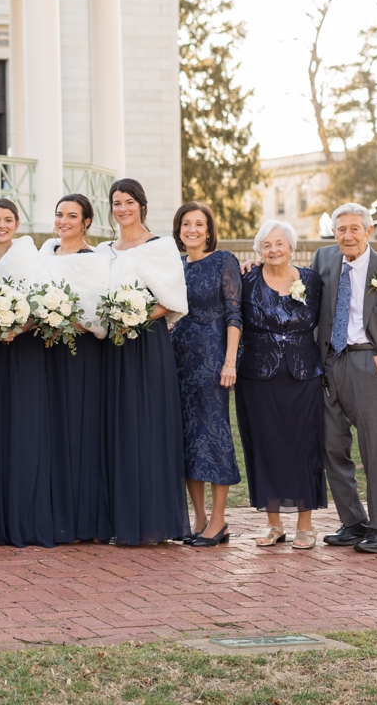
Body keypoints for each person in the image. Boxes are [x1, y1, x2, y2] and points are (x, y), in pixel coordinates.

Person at [314, 202, 377, 555]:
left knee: (374, 448)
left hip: (367, 365)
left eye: (354, 229)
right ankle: (354, 521)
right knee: (331, 446)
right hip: (330, 364)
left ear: (369, 232)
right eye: (341, 229)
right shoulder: (324, 261)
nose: (347, 236)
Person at [97, 178, 189, 546]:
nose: (122, 209)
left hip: (146, 345)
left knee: (146, 425)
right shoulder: (105, 250)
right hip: (111, 347)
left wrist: (134, 316)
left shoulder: (161, 246)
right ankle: (117, 517)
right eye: (116, 203)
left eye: (129, 202)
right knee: (116, 427)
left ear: (142, 205)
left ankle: (152, 521)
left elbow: (171, 300)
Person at [236, 219, 324, 550]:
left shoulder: (313, 281)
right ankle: (273, 525)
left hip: (304, 373)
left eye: (279, 244)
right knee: (265, 445)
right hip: (257, 375)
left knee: (306, 446)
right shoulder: (247, 278)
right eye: (267, 245)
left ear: (291, 247)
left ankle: (305, 524)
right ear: (259, 251)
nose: (274, 250)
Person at [0, 199, 63, 547]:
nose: (1, 225)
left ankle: (29, 520)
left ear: (17, 224)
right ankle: (1, 522)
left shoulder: (28, 255)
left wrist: (19, 326)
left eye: (8, 219)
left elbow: (48, 301)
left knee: (25, 430)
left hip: (23, 351)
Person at [36, 195, 112, 545]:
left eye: (71, 216)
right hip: (45, 353)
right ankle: (56, 515)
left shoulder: (96, 259)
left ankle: (87, 519)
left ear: (86, 222)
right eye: (59, 215)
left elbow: (100, 308)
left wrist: (67, 321)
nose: (63, 221)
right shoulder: (44, 255)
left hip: (82, 353)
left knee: (82, 430)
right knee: (52, 431)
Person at [171, 201, 242, 548]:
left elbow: (234, 314)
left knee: (214, 437)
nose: (193, 230)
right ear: (179, 229)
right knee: (188, 439)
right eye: (187, 224)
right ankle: (198, 517)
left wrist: (229, 362)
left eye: (199, 224)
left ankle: (219, 520)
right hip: (178, 361)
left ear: (209, 230)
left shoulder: (223, 261)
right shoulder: (177, 265)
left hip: (213, 361)